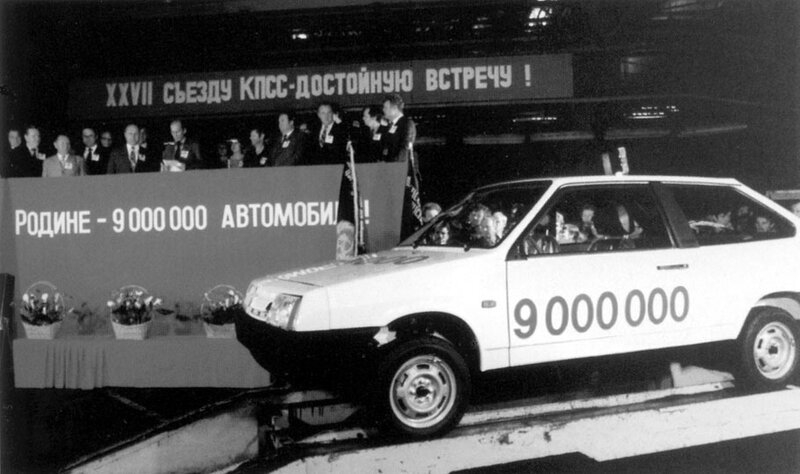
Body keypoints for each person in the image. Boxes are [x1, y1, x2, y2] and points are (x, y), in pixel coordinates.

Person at [380, 93, 416, 162]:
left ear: (394, 108)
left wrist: (394, 165)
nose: (383, 110)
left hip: (399, 166)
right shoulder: (390, 125)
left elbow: (404, 149)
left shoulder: (407, 123)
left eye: (385, 107)